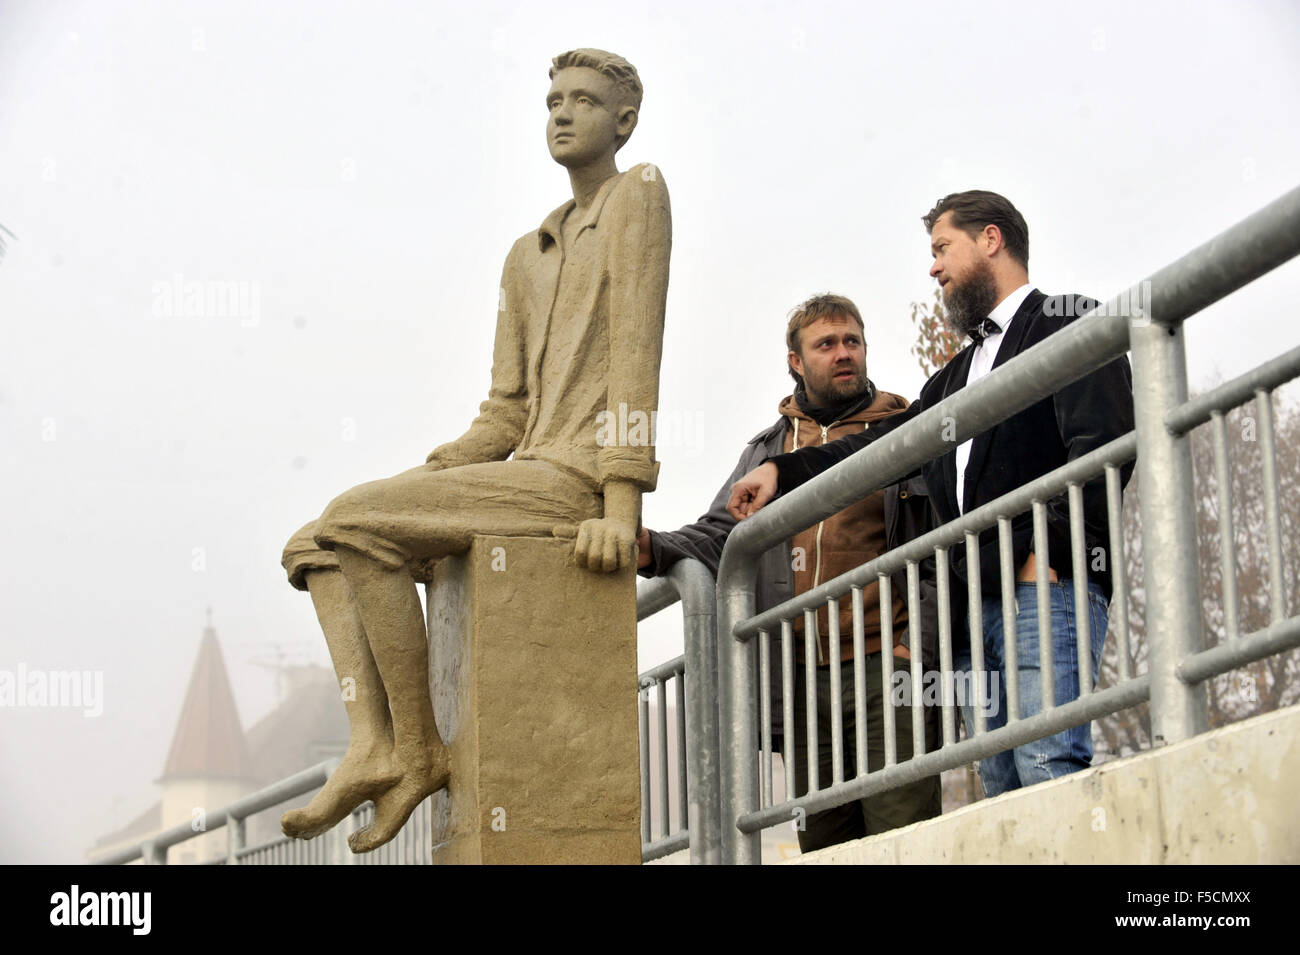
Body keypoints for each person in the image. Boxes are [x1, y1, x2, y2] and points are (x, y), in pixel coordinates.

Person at [279, 49, 671, 852]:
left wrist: (621, 501)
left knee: (354, 520)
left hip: (569, 479)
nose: (562, 113)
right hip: (517, 466)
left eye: (585, 101)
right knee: (312, 543)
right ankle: (378, 742)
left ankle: (413, 748)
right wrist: (441, 467)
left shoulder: (640, 195)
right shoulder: (526, 256)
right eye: (553, 100)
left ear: (623, 120)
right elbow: (505, 410)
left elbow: (637, 351)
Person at [727, 191, 1134, 797]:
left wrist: (1041, 557)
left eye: (942, 248)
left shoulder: (1070, 320)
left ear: (990, 240)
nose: (934, 268)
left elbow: (1106, 448)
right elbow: (875, 446)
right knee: (999, 786)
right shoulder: (951, 378)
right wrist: (783, 472)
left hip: (1041, 591)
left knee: (1049, 770)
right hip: (969, 609)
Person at [638, 293, 941, 851]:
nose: (843, 353)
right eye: (826, 344)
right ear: (796, 363)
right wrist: (652, 547)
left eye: (852, 341)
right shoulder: (766, 452)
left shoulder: (907, 430)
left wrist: (914, 644)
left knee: (903, 841)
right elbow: (719, 533)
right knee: (824, 845)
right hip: (801, 683)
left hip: (890, 667)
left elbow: (947, 533)